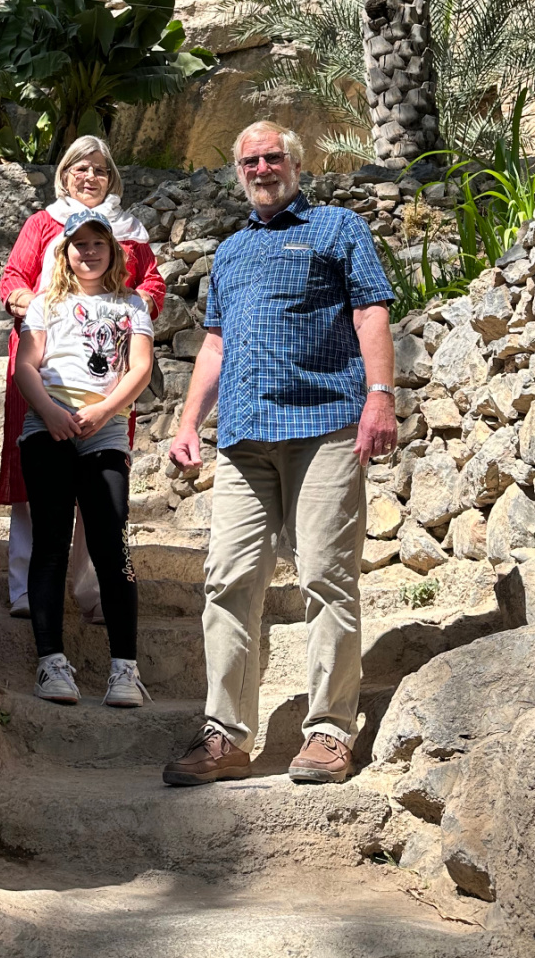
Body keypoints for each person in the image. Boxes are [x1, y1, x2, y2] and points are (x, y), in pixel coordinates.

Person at [162, 121, 396, 788]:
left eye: (273, 158)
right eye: (250, 161)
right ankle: (226, 736)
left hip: (324, 424)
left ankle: (327, 732)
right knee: (228, 580)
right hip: (243, 436)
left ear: (296, 163)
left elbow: (370, 313)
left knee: (325, 574)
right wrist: (187, 424)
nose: (262, 168)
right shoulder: (231, 251)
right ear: (237, 172)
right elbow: (214, 345)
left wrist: (379, 397)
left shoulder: (336, 228)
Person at [0, 136, 165, 620]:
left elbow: (151, 282)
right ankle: (26, 587)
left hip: (108, 368)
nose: (89, 178)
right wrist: (34, 305)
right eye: (80, 169)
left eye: (99, 170)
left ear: (112, 178)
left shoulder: (130, 231)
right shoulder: (42, 223)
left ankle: (93, 591)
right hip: (43, 363)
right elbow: (13, 277)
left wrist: (130, 310)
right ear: (64, 175)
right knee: (35, 475)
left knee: (100, 475)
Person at [14, 211, 154, 706]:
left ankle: (124, 669)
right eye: (79, 244)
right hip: (47, 424)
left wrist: (105, 410)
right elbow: (25, 366)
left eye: (98, 243)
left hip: (105, 428)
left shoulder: (131, 304)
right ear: (65, 252)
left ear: (113, 251)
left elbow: (140, 367)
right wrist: (50, 413)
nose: (88, 251)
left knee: (111, 544)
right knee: (51, 544)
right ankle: (51, 664)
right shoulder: (46, 305)